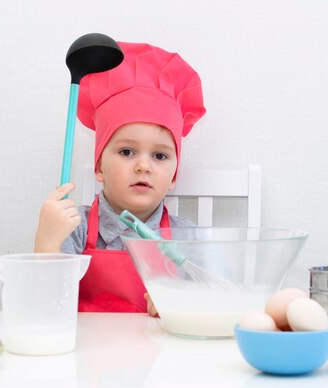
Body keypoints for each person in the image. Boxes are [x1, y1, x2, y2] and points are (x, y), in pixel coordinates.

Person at [34, 41, 206, 315]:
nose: (143, 166)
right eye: (127, 151)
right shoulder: (72, 229)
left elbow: (218, 300)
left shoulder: (189, 238)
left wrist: (183, 303)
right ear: (100, 167)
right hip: (83, 355)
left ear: (174, 174)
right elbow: (43, 308)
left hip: (163, 357)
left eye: (159, 156)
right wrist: (46, 243)